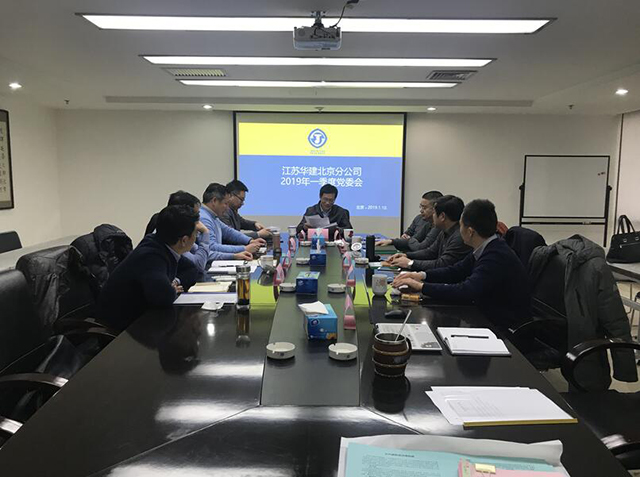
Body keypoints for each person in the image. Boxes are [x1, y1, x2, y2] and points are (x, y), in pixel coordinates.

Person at [393, 199, 532, 331]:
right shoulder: (486, 248)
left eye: (460, 225)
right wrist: (420, 276)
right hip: (487, 315)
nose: (459, 231)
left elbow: (466, 290)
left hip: (504, 328)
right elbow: (455, 271)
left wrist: (421, 287)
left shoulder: (495, 256)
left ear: (470, 232)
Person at [96, 205, 200, 330]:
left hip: (140, 317)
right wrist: (170, 289)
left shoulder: (162, 246)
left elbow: (192, 270)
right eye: (196, 233)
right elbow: (163, 297)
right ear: (184, 240)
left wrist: (174, 282)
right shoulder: (150, 254)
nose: (197, 237)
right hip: (120, 328)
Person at [384, 195, 471, 271]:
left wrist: (410, 263)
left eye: (434, 213)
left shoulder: (459, 237)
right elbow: (430, 252)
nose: (433, 216)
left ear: (442, 216)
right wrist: (406, 255)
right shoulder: (444, 231)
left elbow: (442, 264)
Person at [143, 190, 210, 278]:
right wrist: (205, 233)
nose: (198, 220)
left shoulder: (178, 229)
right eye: (195, 215)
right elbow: (198, 265)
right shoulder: (172, 235)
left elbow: (197, 261)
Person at [200, 183, 264, 262]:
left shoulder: (212, 216)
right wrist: (244, 249)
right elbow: (212, 247)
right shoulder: (204, 218)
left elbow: (228, 231)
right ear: (214, 201)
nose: (227, 208)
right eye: (225, 203)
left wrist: (250, 240)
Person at [376, 191, 443, 252]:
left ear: (435, 209)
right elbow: (413, 238)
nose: (421, 210)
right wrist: (392, 241)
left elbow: (421, 247)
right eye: (421, 207)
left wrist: (410, 241)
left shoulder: (438, 228)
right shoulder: (427, 223)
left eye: (424, 208)